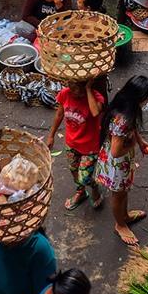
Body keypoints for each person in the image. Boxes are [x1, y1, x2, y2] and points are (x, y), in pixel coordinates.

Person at [96, 74, 148, 245]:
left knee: (124, 191)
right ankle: (120, 224)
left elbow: (133, 129)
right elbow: (115, 151)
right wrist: (133, 146)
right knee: (118, 195)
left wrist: (141, 142)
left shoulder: (128, 106)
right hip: (116, 163)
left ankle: (125, 216)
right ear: (140, 98)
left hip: (123, 160)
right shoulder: (123, 120)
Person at [46, 80, 105, 210]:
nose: (73, 90)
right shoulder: (65, 93)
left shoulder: (96, 97)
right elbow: (59, 114)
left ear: (86, 85)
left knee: (84, 177)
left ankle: (94, 186)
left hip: (90, 146)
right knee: (73, 170)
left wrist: (89, 89)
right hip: (71, 142)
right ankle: (81, 192)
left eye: (77, 86)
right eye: (71, 85)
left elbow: (95, 112)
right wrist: (51, 135)